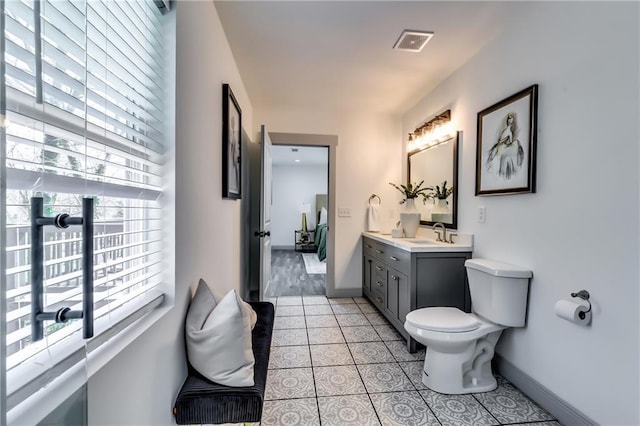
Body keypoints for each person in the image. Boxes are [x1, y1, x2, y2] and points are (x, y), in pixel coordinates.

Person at [486, 112, 524, 179]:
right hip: (503, 146)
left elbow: (509, 140)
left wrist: (505, 141)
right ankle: (503, 173)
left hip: (506, 147)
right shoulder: (506, 129)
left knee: (505, 157)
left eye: (511, 119)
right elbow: (504, 140)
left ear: (513, 120)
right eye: (509, 119)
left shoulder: (510, 130)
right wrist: (502, 141)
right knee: (503, 157)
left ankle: (505, 173)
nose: (510, 120)